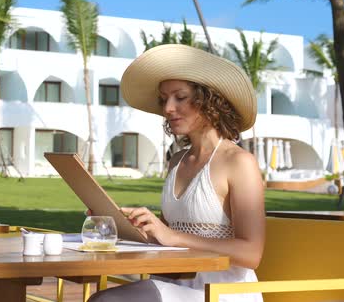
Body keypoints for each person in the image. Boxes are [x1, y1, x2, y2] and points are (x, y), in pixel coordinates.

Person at [88, 44, 265, 302]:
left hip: (222, 294)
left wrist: (171, 235)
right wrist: (124, 226)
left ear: (210, 101)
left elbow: (252, 253)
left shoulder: (239, 162)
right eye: (164, 99)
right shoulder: (177, 161)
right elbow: (167, 241)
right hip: (177, 285)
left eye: (180, 97)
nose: (168, 108)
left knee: (104, 301)